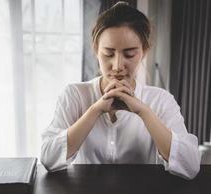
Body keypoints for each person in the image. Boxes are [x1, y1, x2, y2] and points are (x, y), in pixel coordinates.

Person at [40, 1, 200, 180]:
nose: (117, 66)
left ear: (143, 52)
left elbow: (191, 166)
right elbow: (48, 159)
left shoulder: (161, 100)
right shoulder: (74, 95)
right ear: (96, 50)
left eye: (129, 54)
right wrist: (95, 110)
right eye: (108, 54)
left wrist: (143, 111)